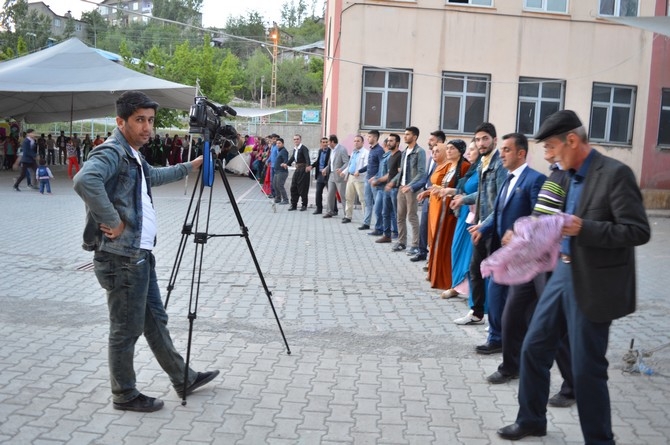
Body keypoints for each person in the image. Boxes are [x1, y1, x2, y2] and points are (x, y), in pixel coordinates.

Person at [497, 110, 651, 443]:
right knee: (534, 348)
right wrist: (520, 234)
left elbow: (638, 231)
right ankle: (532, 420)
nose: (549, 156)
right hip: (562, 275)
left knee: (586, 370)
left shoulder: (614, 174)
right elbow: (543, 217)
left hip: (595, 284)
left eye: (552, 147)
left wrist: (587, 228)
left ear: (572, 140)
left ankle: (599, 439)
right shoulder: (563, 177)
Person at [72, 91, 219, 413]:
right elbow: (85, 180)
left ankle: (183, 377)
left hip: (138, 256)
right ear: (120, 121)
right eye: (139, 120)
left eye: (150, 121)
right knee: (126, 329)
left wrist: (189, 166)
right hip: (121, 258)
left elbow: (151, 176)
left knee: (155, 321)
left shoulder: (133, 156)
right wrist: (112, 220)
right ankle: (124, 394)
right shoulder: (111, 152)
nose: (147, 127)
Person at [472, 133, 546, 357]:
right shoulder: (507, 178)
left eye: (507, 150)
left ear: (521, 153)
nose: (501, 154)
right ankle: (496, 337)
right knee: (495, 293)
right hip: (502, 250)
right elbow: (498, 211)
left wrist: (518, 232)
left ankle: (512, 341)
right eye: (501, 149)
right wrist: (483, 228)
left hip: (523, 253)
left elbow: (539, 215)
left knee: (515, 302)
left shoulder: (535, 180)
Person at [451, 122, 507, 326]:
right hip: (481, 225)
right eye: (478, 139)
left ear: (494, 140)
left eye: (485, 138)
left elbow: (501, 201)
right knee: (475, 270)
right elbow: (483, 193)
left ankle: (496, 320)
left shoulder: (499, 164)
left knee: (493, 275)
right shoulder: (484, 162)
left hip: (493, 228)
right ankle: (476, 313)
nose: (481, 143)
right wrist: (463, 199)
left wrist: (484, 225)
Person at [422, 140, 470, 290]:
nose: (448, 151)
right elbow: (442, 186)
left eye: (452, 149)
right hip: (442, 209)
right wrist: (432, 191)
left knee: (448, 244)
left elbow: (462, 189)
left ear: (460, 151)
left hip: (452, 213)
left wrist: (447, 193)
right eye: (447, 148)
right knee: (439, 242)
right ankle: (437, 276)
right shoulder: (450, 166)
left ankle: (448, 279)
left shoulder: (464, 166)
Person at [442, 141, 480, 299]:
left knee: (468, 252)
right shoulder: (472, 169)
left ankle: (465, 288)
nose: (469, 153)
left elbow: (481, 193)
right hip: (463, 213)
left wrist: (463, 197)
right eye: (469, 149)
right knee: (456, 248)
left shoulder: (481, 169)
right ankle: (456, 284)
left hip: (473, 215)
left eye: (473, 150)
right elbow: (463, 188)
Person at [388, 126, 426, 253]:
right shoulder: (404, 152)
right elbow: (402, 172)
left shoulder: (419, 152)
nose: (405, 136)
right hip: (401, 188)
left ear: (414, 137)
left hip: (411, 190)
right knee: (400, 217)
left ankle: (415, 245)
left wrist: (410, 186)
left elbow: (421, 173)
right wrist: (393, 182)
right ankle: (401, 242)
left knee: (412, 216)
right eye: (405, 134)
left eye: (408, 134)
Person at [410, 130, 445, 262]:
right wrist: (413, 187)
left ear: (440, 142)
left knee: (435, 228)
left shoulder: (445, 160)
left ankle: (434, 257)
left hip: (438, 198)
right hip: (427, 198)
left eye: (432, 140)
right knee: (424, 226)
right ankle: (422, 252)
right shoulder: (431, 158)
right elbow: (426, 177)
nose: (428, 142)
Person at [341, 135, 369, 224]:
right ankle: (348, 216)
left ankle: (366, 219)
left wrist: (359, 172)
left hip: (360, 178)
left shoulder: (366, 153)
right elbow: (350, 165)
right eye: (355, 141)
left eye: (358, 141)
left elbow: (367, 166)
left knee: (362, 199)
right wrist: (344, 172)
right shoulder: (353, 152)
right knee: (349, 197)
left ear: (362, 142)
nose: (356, 142)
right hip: (351, 177)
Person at [362, 130, 384, 231]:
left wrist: (375, 177)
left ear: (375, 138)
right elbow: (370, 165)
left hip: (375, 181)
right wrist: (360, 170)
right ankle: (366, 223)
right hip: (367, 179)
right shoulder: (371, 149)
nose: (368, 138)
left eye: (369, 136)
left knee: (377, 204)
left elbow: (382, 166)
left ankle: (379, 226)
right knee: (368, 202)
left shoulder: (379, 150)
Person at [323, 134, 349, 218]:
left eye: (328, 142)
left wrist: (341, 169)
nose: (327, 144)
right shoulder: (332, 150)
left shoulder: (342, 149)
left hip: (339, 176)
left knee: (343, 196)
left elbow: (347, 162)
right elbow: (331, 164)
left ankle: (347, 214)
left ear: (332, 142)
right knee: (330, 194)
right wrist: (325, 169)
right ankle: (330, 211)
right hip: (331, 175)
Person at [283, 134, 311, 211]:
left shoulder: (303, 148)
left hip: (303, 170)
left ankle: (304, 205)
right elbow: (292, 158)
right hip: (297, 169)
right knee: (293, 187)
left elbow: (307, 158)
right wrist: (287, 164)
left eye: (297, 139)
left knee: (302, 188)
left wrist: (308, 166)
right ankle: (293, 204)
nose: (296, 140)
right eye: (295, 139)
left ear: (300, 139)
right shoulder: (295, 149)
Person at [308, 137, 331, 215]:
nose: (325, 144)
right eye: (323, 142)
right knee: (318, 192)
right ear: (321, 143)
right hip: (320, 175)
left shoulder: (331, 152)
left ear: (328, 143)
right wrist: (312, 166)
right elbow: (318, 161)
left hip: (328, 175)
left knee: (331, 192)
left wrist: (327, 170)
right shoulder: (320, 151)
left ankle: (334, 209)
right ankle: (319, 209)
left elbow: (331, 163)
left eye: (326, 142)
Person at [272, 137, 290, 205]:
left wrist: (284, 163)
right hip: (277, 171)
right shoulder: (279, 150)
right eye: (277, 143)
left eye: (279, 143)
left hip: (282, 172)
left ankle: (285, 199)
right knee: (275, 185)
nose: (277, 144)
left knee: (280, 185)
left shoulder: (284, 151)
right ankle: (278, 198)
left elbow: (286, 159)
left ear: (283, 144)